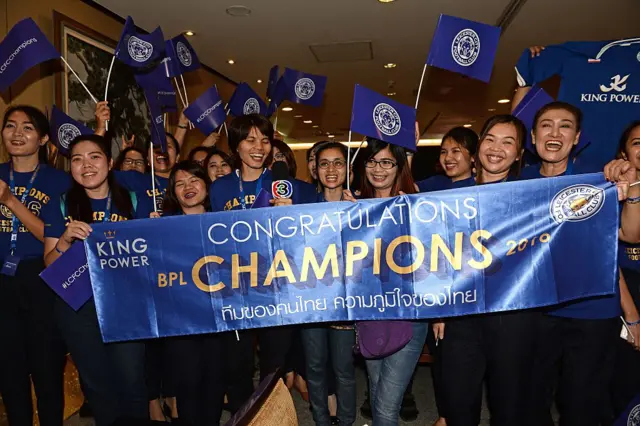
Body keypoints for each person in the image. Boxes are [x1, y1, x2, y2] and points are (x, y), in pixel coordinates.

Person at [521, 104, 640, 426]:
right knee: (531, 401)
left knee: (582, 405)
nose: (555, 133)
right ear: (533, 136)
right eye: (546, 125)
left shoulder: (599, 178)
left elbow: (629, 235)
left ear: (576, 138)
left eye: (565, 126)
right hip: (537, 311)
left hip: (592, 312)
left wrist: (630, 191)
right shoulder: (520, 182)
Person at [42, 134, 153, 426]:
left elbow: (152, 257)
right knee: (97, 384)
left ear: (109, 162)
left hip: (126, 303)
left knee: (132, 381)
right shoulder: (61, 205)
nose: (86, 165)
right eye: (77, 159)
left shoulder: (133, 200)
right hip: (77, 307)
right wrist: (64, 241)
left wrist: (153, 232)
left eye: (94, 157)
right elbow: (50, 264)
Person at [209, 114, 316, 414]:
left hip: (277, 288)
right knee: (237, 366)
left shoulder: (283, 185)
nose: (259, 147)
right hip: (235, 289)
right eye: (250, 139)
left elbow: (306, 238)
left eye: (265, 140)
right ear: (236, 146)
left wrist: (291, 217)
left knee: (274, 366)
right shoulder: (220, 188)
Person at [437, 115, 530, 426]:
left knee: (508, 405)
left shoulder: (531, 196)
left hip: (511, 316)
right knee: (458, 404)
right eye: (490, 139)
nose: (496, 148)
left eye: (508, 142)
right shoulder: (451, 198)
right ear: (478, 149)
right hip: (461, 316)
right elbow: (438, 257)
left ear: (518, 154)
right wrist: (440, 310)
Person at [346, 138, 428, 426]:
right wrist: (343, 220)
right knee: (377, 391)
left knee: (384, 408)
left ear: (398, 166)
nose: (378, 169)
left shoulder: (416, 203)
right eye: (371, 161)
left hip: (409, 314)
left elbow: (436, 260)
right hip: (369, 313)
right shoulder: (356, 206)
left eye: (386, 162)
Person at [0, 106, 69, 426]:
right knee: (9, 368)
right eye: (10, 126)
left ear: (43, 138)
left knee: (46, 366)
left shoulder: (60, 182)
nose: (16, 133)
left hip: (42, 275)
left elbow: (53, 238)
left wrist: (11, 202)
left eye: (27, 128)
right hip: (2, 276)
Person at [160, 161, 227, 425]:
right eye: (180, 183)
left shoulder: (225, 223)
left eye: (194, 180)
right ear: (173, 193)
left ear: (206, 186)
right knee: (187, 383)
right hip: (180, 320)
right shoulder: (163, 227)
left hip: (219, 317)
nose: (188, 187)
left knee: (214, 380)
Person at [301, 142, 357, 426]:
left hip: (345, 301)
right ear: (315, 169)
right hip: (310, 300)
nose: (331, 169)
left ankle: (346, 421)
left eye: (338, 163)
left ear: (347, 169)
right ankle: (321, 420)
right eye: (324, 163)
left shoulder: (360, 208)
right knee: (314, 367)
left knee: (344, 368)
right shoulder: (303, 209)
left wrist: (359, 218)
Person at [95, 101, 179, 214]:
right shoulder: (137, 179)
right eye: (156, 148)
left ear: (178, 157)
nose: (162, 151)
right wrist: (100, 129)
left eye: (168, 146)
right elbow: (95, 170)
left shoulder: (187, 181)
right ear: (148, 159)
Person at [611, 121, 640, 419]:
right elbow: (609, 259)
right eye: (636, 142)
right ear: (623, 152)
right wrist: (632, 317)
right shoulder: (610, 192)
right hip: (624, 293)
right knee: (625, 386)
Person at [417, 127, 477, 192]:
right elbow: (406, 193)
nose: (447, 158)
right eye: (443, 152)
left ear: (473, 157)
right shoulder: (436, 183)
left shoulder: (480, 186)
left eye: (455, 151)